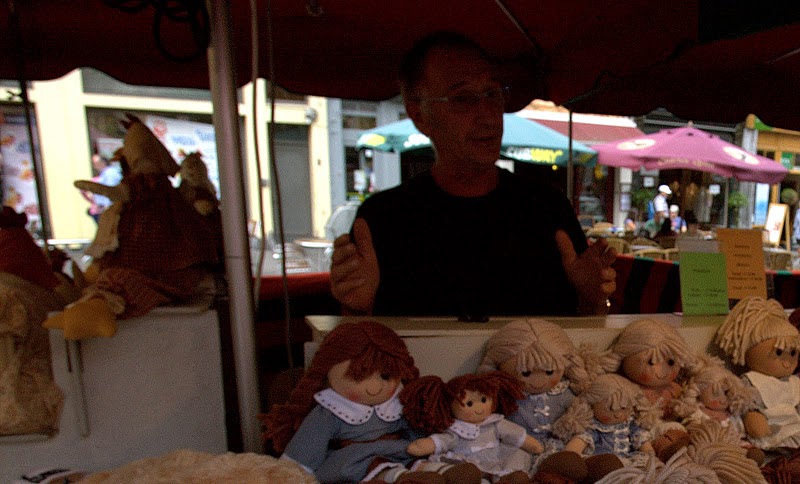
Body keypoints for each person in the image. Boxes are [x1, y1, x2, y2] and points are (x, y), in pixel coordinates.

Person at [330, 31, 616, 318]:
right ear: (419, 114)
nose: (488, 115)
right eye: (463, 98)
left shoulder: (547, 208)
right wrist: (356, 308)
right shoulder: (384, 219)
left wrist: (592, 300)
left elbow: (585, 329)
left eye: (492, 94)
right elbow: (357, 339)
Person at [80, 153, 122, 223]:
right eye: (94, 164)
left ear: (103, 162)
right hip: (102, 209)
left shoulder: (110, 173)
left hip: (110, 209)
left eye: (96, 163)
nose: (95, 166)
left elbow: (111, 190)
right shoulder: (103, 175)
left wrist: (108, 207)